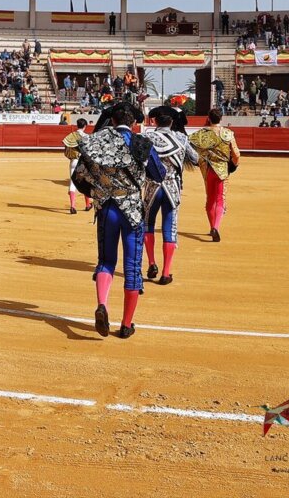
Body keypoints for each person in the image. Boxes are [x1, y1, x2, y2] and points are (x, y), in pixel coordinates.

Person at [73, 102, 165, 338]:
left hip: (106, 208)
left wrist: (97, 191)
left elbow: (79, 176)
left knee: (106, 261)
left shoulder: (95, 141)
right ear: (133, 123)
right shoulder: (140, 143)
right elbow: (159, 174)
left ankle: (102, 304)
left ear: (112, 121)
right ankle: (126, 325)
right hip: (132, 211)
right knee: (132, 266)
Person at [141, 106, 197, 286]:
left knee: (148, 224)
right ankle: (166, 272)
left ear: (155, 121)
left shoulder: (146, 137)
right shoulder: (180, 138)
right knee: (169, 227)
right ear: (172, 122)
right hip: (172, 187)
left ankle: (151, 263)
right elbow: (195, 159)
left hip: (152, 187)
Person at [189, 108, 240, 243]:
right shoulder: (227, 133)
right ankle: (216, 227)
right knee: (220, 199)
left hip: (207, 170)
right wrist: (234, 165)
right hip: (222, 170)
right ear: (221, 118)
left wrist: (198, 161)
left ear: (209, 118)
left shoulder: (199, 134)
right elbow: (236, 155)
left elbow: (189, 148)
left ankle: (212, 226)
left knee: (210, 199)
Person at [61, 118, 92, 214]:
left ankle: (73, 206)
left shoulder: (71, 136)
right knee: (85, 182)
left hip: (73, 161)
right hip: (83, 162)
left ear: (77, 125)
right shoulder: (86, 137)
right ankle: (87, 205)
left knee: (72, 183)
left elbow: (66, 148)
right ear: (85, 126)